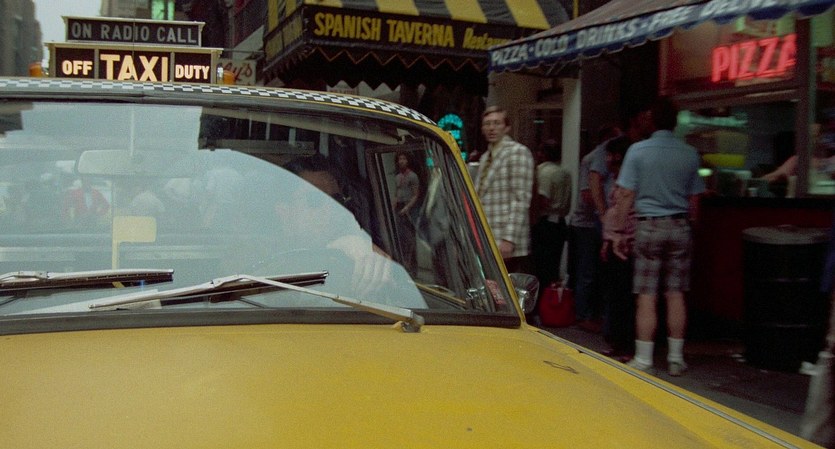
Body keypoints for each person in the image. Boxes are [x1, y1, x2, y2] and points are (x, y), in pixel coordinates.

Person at [611, 96, 706, 377]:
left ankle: (644, 358)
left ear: (650, 119)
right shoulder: (689, 153)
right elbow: (695, 199)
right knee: (675, 294)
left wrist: (618, 231)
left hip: (649, 226)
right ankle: (676, 358)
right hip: (679, 225)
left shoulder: (638, 151)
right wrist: (692, 227)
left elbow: (626, 194)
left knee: (647, 294)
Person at [567, 123, 621, 333]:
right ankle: (584, 315)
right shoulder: (593, 159)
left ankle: (592, 314)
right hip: (587, 223)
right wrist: (607, 211)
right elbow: (586, 193)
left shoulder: (596, 159)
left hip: (594, 222)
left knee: (594, 272)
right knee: (587, 271)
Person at [475, 106, 535, 274]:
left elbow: (521, 199)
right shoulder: (485, 157)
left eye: (496, 123)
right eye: (487, 124)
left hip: (506, 240)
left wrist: (509, 239)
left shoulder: (518, 152)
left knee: (506, 287)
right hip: (486, 237)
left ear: (506, 127)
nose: (491, 128)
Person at [598, 135, 636, 360]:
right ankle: (617, 341)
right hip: (614, 241)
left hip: (623, 243)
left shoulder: (628, 182)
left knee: (622, 296)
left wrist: (618, 237)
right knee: (615, 294)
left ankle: (624, 344)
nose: (606, 160)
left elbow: (625, 213)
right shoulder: (618, 179)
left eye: (609, 155)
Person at [531, 139, 571, 290]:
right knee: (553, 266)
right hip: (560, 222)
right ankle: (550, 297)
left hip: (544, 222)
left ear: (543, 153)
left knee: (541, 266)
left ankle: (541, 299)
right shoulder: (565, 173)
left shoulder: (544, 172)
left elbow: (543, 199)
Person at [393, 151, 420, 276]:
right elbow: (396, 193)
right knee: (401, 238)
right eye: (400, 159)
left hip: (409, 208)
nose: (401, 161)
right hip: (399, 207)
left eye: (404, 159)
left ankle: (413, 269)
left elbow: (416, 194)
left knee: (410, 240)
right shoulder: (397, 177)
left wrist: (407, 207)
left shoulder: (413, 176)